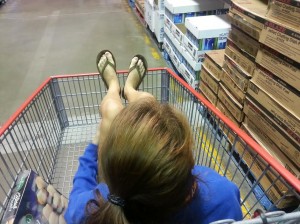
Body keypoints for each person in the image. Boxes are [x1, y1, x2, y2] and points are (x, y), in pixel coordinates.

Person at [64, 50, 243, 224]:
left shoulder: (98, 206)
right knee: (147, 105)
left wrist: (95, 143)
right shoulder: (221, 197)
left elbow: (74, 207)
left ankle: (113, 87)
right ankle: (130, 90)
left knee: (112, 111)